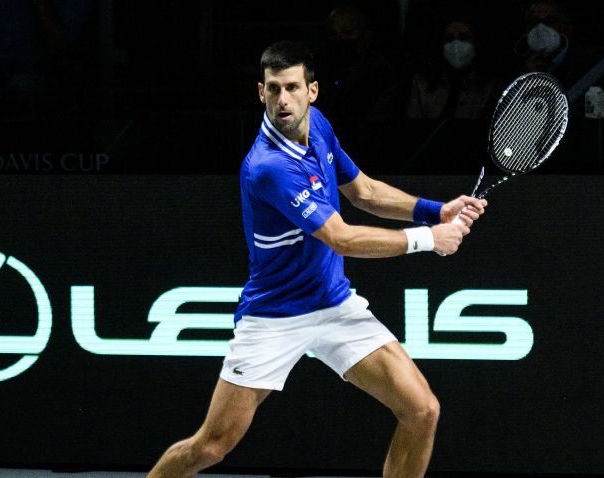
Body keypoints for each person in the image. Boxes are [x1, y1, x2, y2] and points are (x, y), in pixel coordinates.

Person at [146, 41, 487, 478]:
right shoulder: (268, 167)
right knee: (212, 446)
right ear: (260, 93)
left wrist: (433, 210)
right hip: (274, 316)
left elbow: (362, 191)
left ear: (313, 91)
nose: (282, 100)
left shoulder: (319, 126)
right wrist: (429, 239)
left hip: (333, 304)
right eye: (273, 89)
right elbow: (340, 238)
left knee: (422, 411)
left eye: (291, 87)